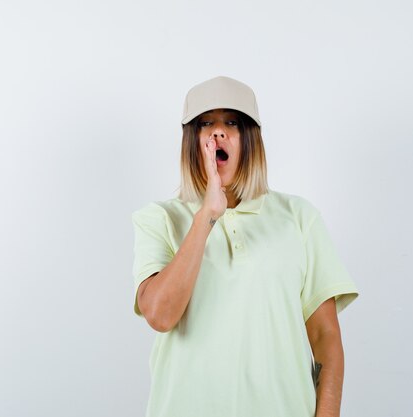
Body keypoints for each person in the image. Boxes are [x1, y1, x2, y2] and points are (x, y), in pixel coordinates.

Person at [131, 76, 359, 417]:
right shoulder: (159, 218)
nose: (217, 132)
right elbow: (161, 316)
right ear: (190, 140)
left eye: (232, 123)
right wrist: (208, 213)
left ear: (250, 139)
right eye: (205, 123)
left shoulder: (298, 217)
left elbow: (325, 335)